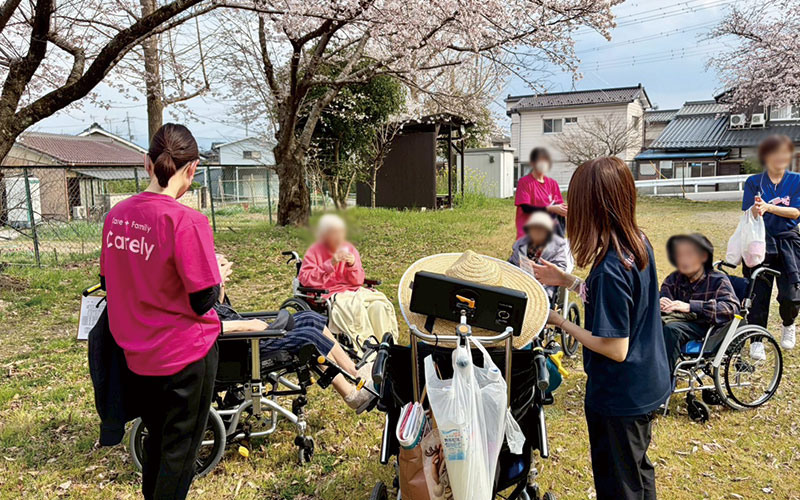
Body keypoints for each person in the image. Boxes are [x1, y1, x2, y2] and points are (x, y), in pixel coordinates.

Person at [532, 157, 670, 500]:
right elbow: (623, 302)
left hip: (619, 397)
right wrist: (568, 281)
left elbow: (615, 347)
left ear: (594, 207)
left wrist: (560, 321)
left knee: (619, 485)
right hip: (646, 382)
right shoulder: (636, 241)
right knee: (637, 472)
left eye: (577, 203)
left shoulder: (610, 267)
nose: (571, 211)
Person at [100, 124, 223, 500]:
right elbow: (203, 299)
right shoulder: (187, 221)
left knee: (156, 443)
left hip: (136, 356)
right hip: (185, 358)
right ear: (193, 169)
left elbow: (108, 282)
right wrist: (219, 274)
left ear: (146, 164)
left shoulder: (117, 216)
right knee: (178, 456)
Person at [213, 263, 375, 413]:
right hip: (242, 346)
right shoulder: (195, 298)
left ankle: (354, 371)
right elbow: (213, 326)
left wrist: (220, 285)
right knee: (308, 338)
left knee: (309, 317)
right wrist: (248, 326)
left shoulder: (202, 292)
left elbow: (218, 307)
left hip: (243, 337)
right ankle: (351, 396)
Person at [298, 214, 398, 350]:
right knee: (355, 310)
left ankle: (387, 347)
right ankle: (366, 349)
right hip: (330, 293)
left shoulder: (349, 249)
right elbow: (306, 278)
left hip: (354, 291)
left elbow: (358, 281)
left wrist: (352, 265)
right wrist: (331, 263)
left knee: (379, 306)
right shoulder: (315, 251)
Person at [742, 134, 800, 349]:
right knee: (758, 293)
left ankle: (788, 323)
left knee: (791, 294)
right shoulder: (753, 182)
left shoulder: (796, 180)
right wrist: (757, 210)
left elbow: (795, 212)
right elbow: (748, 212)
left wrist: (769, 207)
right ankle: (757, 339)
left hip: (788, 242)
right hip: (759, 241)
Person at [660, 234, 740, 373]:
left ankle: (664, 382)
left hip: (706, 327)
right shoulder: (674, 278)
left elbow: (731, 308)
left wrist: (691, 306)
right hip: (676, 320)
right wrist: (660, 302)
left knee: (672, 330)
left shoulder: (718, 280)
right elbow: (664, 295)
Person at [508, 211, 569, 301]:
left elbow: (560, 269)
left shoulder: (557, 246)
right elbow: (511, 263)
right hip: (518, 285)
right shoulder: (522, 242)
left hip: (542, 289)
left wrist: (539, 271)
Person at [514, 147, 567, 238]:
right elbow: (526, 208)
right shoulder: (524, 182)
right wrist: (551, 208)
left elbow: (559, 206)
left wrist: (564, 210)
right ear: (533, 163)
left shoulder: (552, 183)